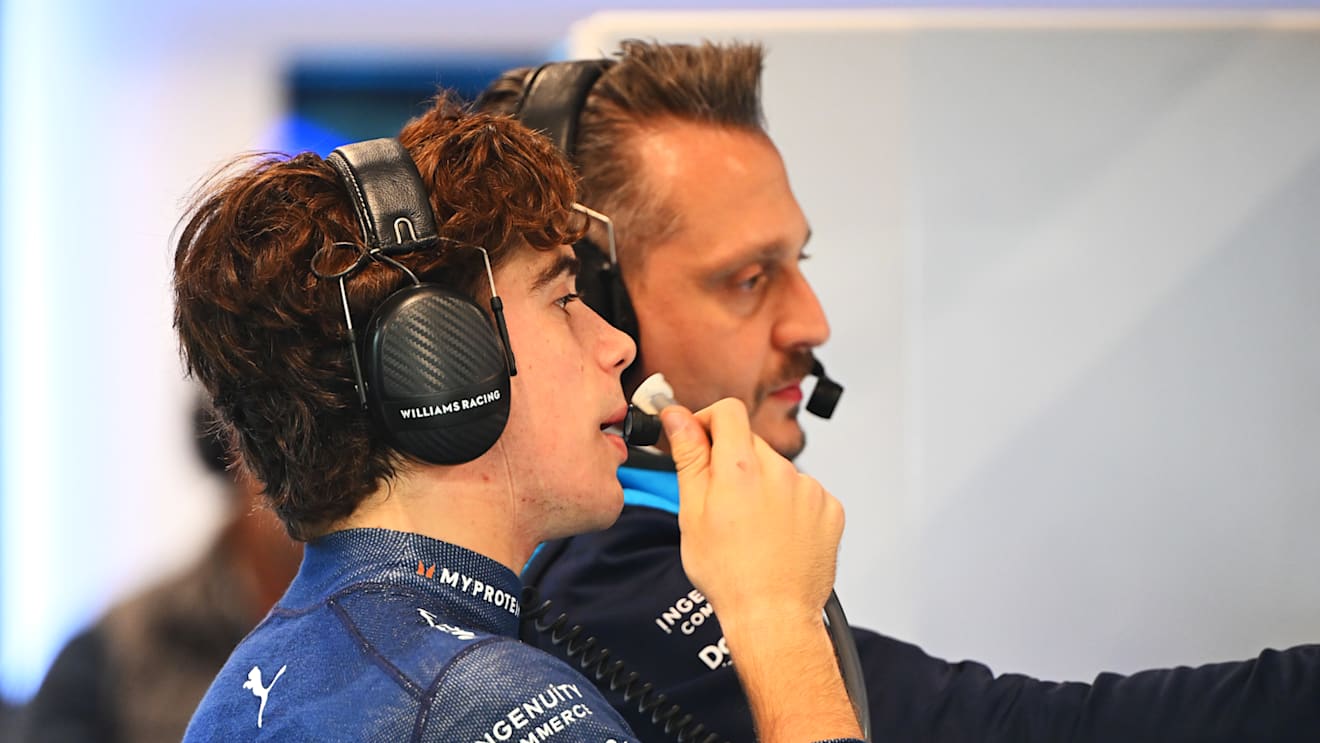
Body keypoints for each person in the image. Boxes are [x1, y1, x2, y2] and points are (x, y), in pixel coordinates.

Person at [476, 39, 1320, 743]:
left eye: (796, 264)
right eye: (747, 278)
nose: (812, 322)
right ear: (592, 296)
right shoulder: (596, 583)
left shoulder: (647, 542)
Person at [172, 91, 863, 742]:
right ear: (437, 366)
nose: (615, 343)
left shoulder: (242, 688)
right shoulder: (497, 704)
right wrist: (778, 619)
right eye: (563, 298)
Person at [19, 402, 302, 743]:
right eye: (296, 434)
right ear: (234, 442)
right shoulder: (109, 657)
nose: (330, 472)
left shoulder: (379, 641)